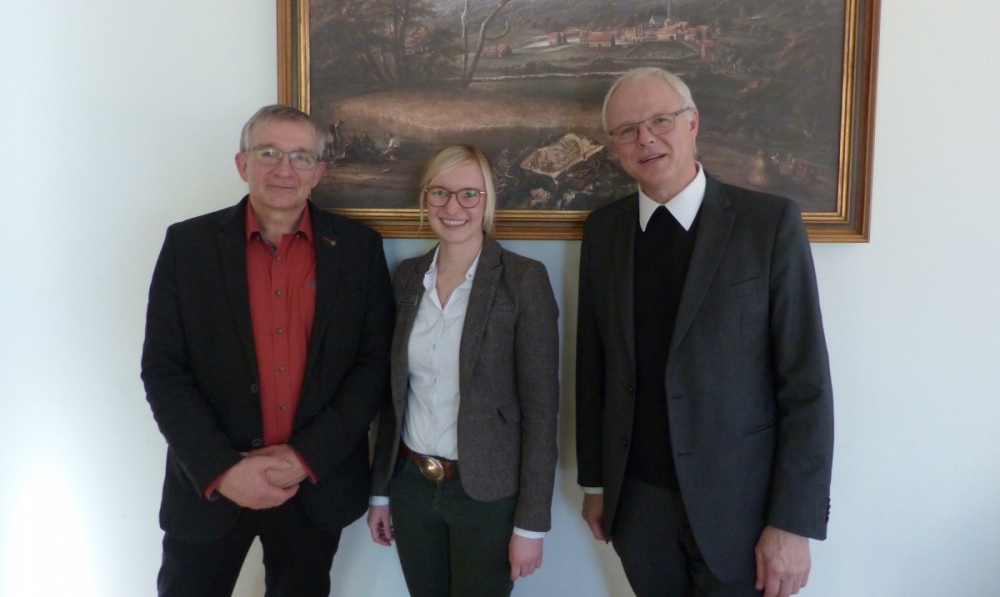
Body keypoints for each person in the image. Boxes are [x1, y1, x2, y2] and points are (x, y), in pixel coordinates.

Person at [575, 68, 834, 597]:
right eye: (627, 130)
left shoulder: (769, 224)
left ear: (693, 123)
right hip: (638, 507)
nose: (646, 138)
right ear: (614, 147)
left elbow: (806, 383)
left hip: (743, 511)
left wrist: (794, 522)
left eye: (661, 120)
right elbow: (592, 365)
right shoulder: (604, 232)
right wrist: (597, 483)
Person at [141, 104, 394, 597]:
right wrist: (223, 469)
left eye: (301, 156)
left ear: (319, 171)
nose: (285, 168)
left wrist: (306, 457)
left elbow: (373, 367)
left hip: (312, 487)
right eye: (269, 152)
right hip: (211, 487)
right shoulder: (187, 246)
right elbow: (164, 372)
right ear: (243, 164)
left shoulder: (359, 248)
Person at [366, 144, 560, 597]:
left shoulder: (522, 279)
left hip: (487, 497)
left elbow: (541, 411)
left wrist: (532, 525)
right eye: (440, 193)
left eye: (469, 193)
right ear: (425, 198)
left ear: (487, 200)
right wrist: (380, 492)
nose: (453, 207)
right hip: (411, 488)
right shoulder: (407, 278)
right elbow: (392, 397)